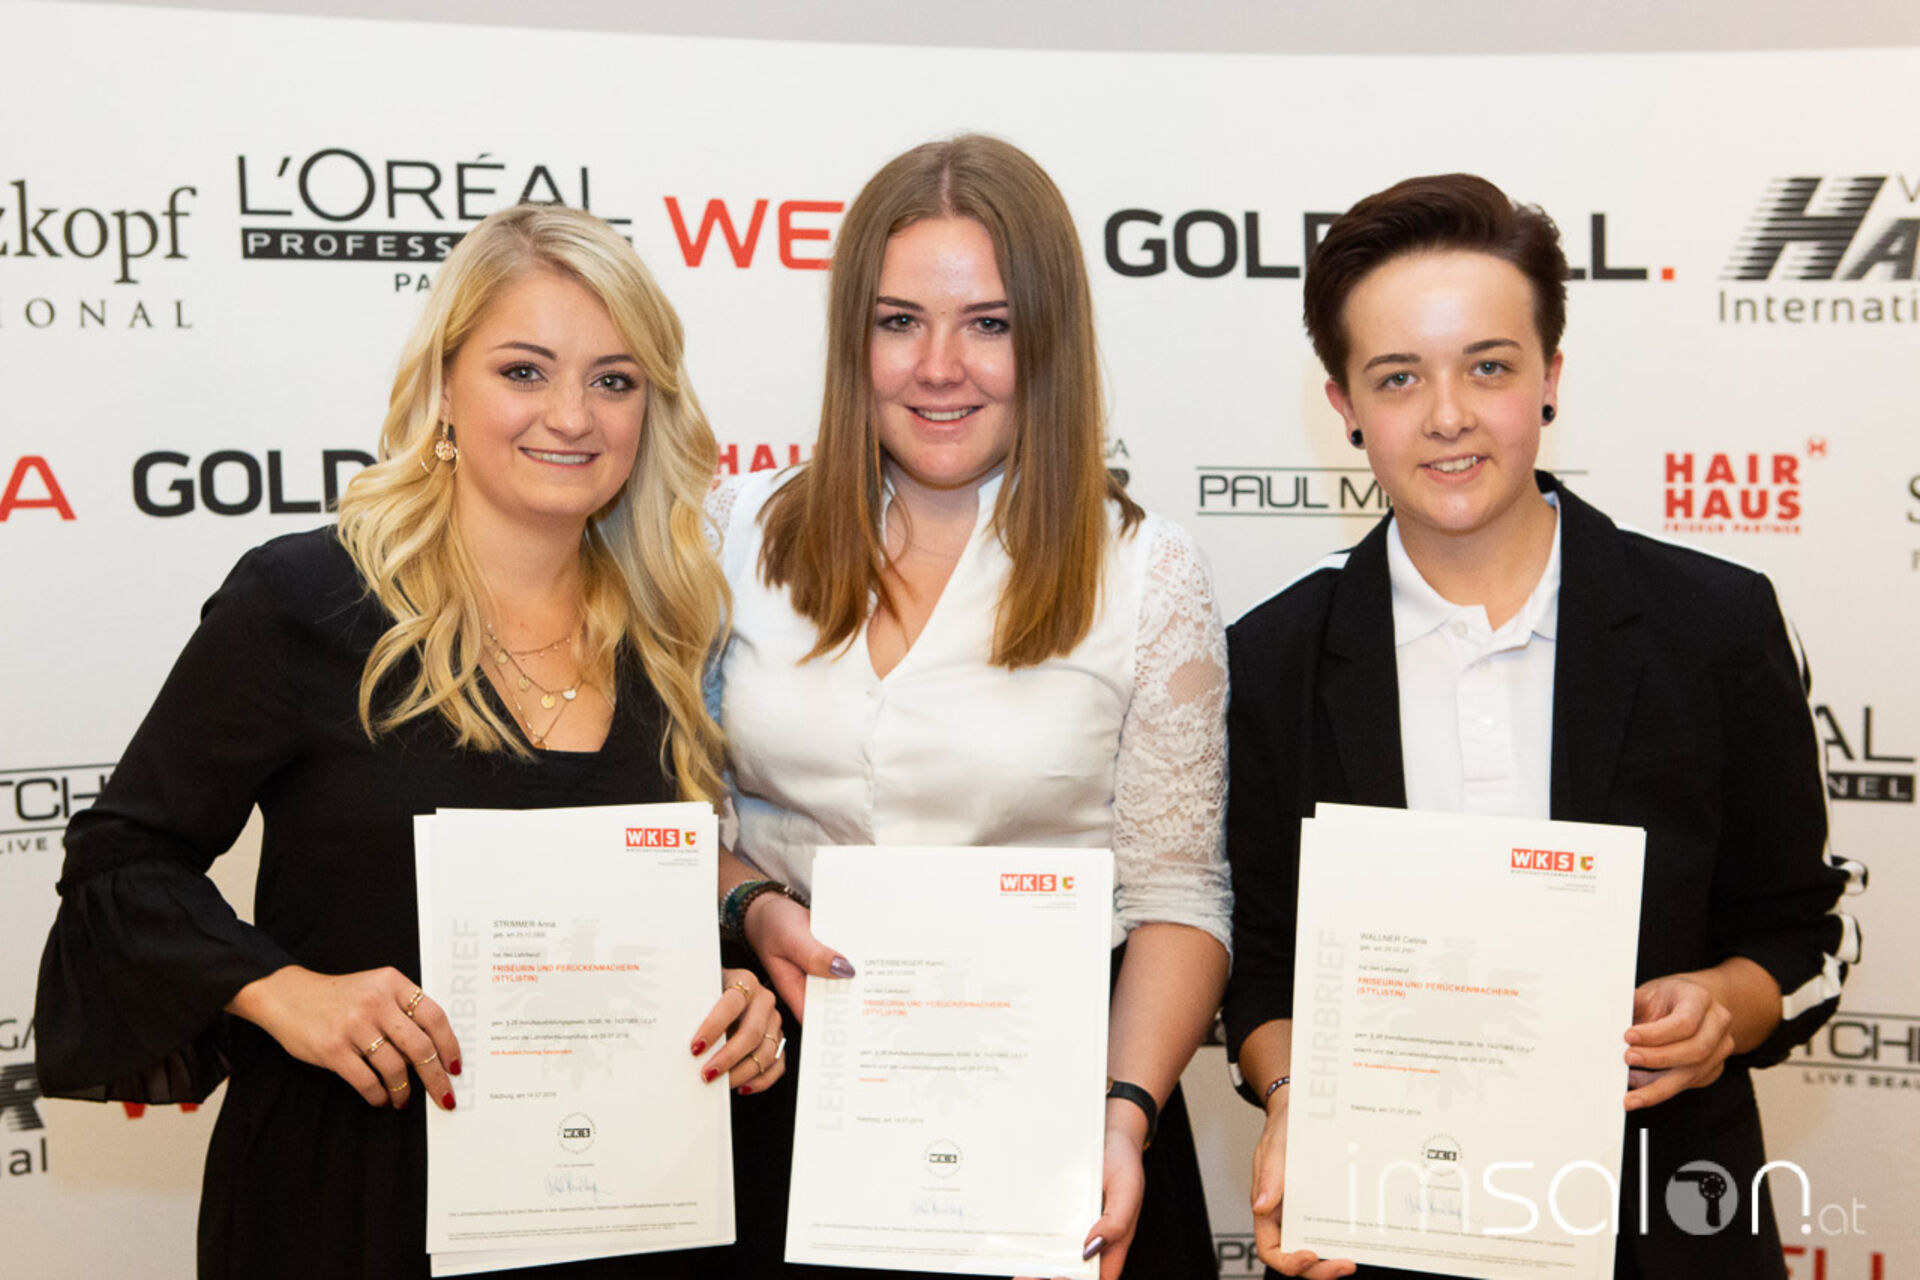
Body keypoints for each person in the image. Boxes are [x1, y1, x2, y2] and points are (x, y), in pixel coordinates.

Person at [34, 203, 783, 1279]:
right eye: (524, 371)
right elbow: (120, 865)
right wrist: (286, 989)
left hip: (612, 1204)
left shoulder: (670, 628)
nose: (572, 415)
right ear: (443, 387)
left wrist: (734, 991)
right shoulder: (303, 599)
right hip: (353, 1199)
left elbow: (646, 901)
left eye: (614, 380)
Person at [1222, 173, 1861, 1279]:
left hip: (1667, 1226)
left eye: (1490, 366)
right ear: (1345, 405)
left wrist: (1724, 1004)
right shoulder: (1271, 659)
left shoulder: (1715, 625)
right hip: (1377, 1233)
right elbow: (1259, 968)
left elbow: (1804, 929)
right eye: (1398, 377)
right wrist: (1292, 1097)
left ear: (1550, 377)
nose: (1448, 415)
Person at [704, 134, 1232, 1279]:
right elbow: (673, 819)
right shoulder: (730, 534)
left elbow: (1179, 893)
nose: (939, 366)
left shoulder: (1147, 571)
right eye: (899, 321)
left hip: (1060, 1116)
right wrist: (750, 900)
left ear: (1048, 338)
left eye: (988, 323)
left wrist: (1123, 1115)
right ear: (852, 337)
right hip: (783, 1096)